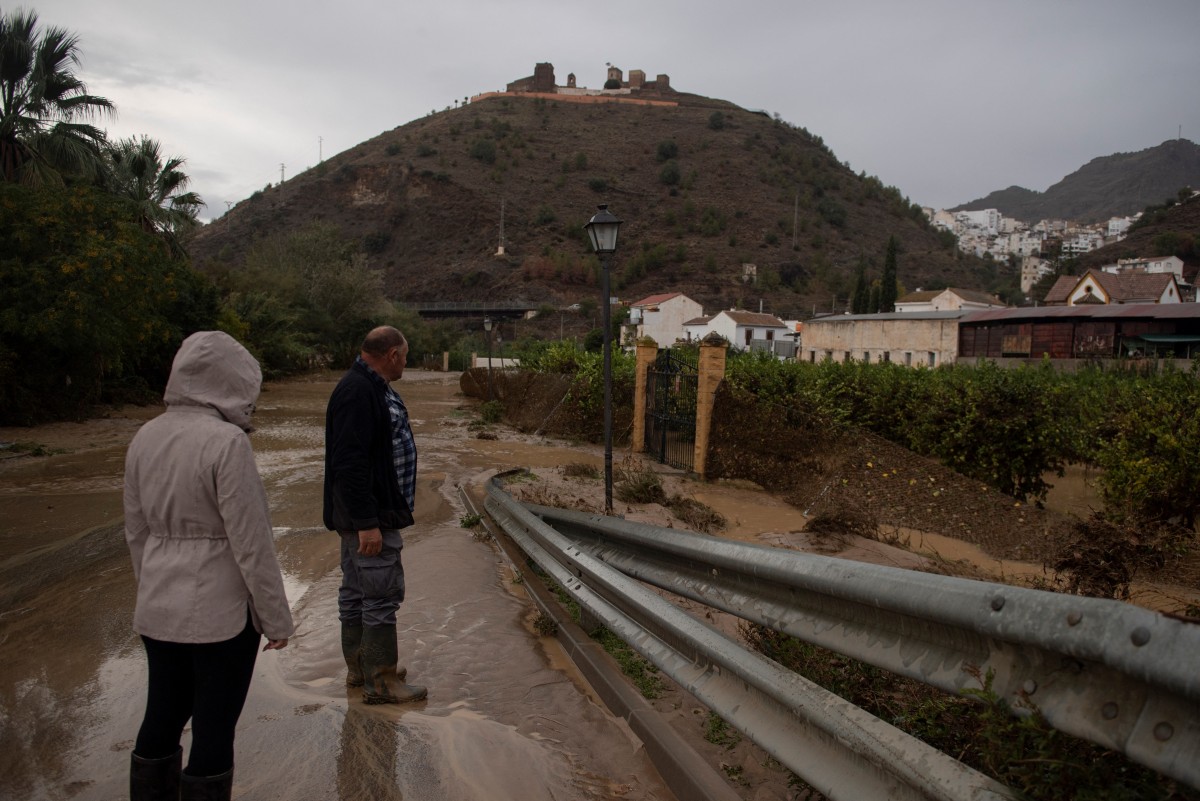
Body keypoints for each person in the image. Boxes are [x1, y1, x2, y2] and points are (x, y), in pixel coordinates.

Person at [123, 331, 295, 801]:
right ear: (235, 381)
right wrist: (275, 617)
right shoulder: (227, 442)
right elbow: (251, 541)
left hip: (158, 607)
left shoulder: (145, 436)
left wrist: (154, 587)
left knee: (160, 715)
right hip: (221, 617)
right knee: (214, 729)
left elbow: (136, 531)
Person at [324, 325, 427, 704]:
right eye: (406, 355)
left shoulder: (368, 387)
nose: (406, 362)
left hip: (362, 515)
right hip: (369, 518)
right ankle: (382, 682)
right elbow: (349, 463)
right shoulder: (358, 392)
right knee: (380, 594)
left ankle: (362, 668)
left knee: (356, 592)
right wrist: (368, 523)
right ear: (393, 355)